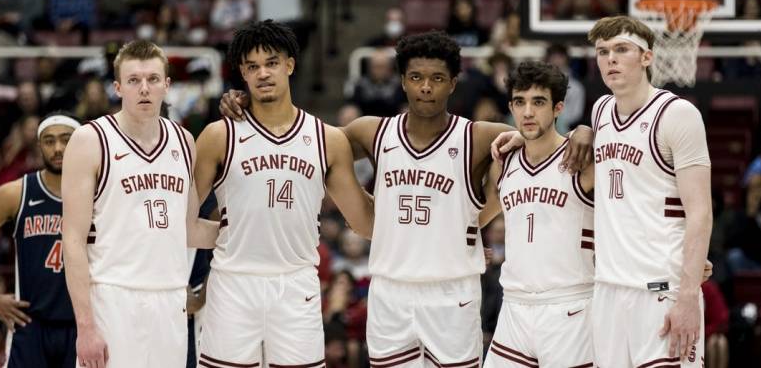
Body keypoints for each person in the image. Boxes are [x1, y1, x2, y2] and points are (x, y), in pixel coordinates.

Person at [220, 30, 594, 366]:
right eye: (416, 77)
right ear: (402, 81)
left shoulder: (480, 137)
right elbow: (304, 143)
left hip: (452, 292)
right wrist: (250, 103)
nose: (425, 87)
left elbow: (544, 138)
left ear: (453, 83)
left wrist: (583, 130)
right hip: (389, 290)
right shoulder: (372, 131)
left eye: (436, 78)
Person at [491, 15, 712, 367]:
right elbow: (564, 146)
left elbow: (700, 212)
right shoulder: (602, 111)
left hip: (660, 290)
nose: (610, 59)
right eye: (603, 51)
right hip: (607, 291)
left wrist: (687, 293)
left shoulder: (678, 115)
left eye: (622, 49)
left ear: (647, 57)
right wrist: (527, 136)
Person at [193, 20, 374, 368]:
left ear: (290, 65)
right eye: (252, 67)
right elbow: (180, 219)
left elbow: (364, 222)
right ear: (242, 75)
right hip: (233, 283)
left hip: (296, 286)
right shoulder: (219, 135)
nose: (263, 73)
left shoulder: (328, 139)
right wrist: (228, 235)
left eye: (272, 62)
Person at [61, 40, 219, 368]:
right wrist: (86, 327)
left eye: (152, 79)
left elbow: (188, 230)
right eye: (133, 80)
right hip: (113, 298)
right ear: (118, 87)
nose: (144, 89)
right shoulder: (90, 140)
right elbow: (72, 241)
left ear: (167, 85)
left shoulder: (184, 141)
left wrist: (247, 228)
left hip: (171, 299)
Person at [480, 61, 596, 367]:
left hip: (569, 307)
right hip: (514, 308)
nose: (528, 112)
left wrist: (587, 129)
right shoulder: (504, 161)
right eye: (520, 102)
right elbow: (477, 216)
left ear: (558, 107)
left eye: (538, 102)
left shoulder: (581, 157)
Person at [0, 112, 80, 368]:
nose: (58, 148)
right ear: (39, 146)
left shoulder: (99, 193)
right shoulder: (16, 192)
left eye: (66, 139)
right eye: (49, 141)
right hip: (30, 325)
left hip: (82, 323)